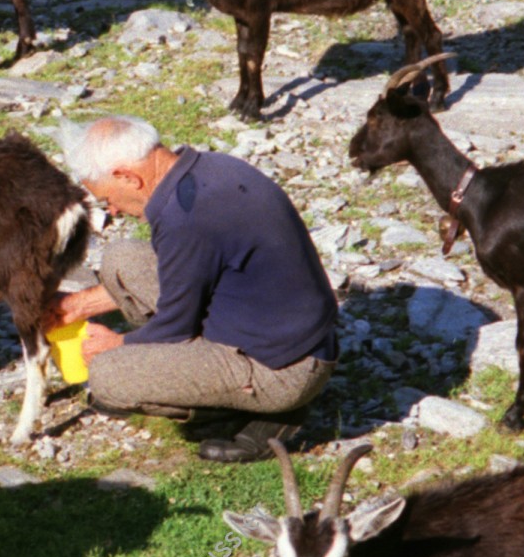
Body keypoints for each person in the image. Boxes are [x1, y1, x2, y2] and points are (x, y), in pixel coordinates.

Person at [47, 116, 338, 463]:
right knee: (121, 258)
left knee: (109, 375)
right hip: (288, 331)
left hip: (282, 368)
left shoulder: (184, 219)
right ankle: (210, 385)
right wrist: (79, 306)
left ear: (128, 176)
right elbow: (191, 274)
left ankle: (267, 415)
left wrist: (117, 345)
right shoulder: (207, 170)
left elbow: (174, 326)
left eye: (107, 198)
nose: (112, 210)